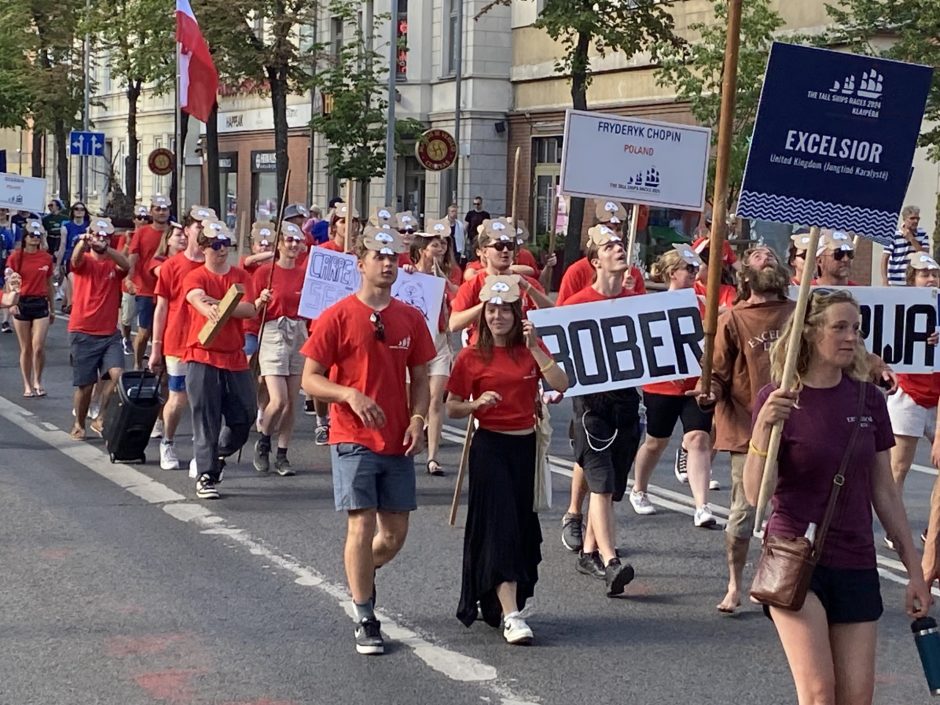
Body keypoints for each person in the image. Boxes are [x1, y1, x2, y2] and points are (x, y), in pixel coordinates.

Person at [743, 288, 931, 705]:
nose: (851, 337)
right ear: (810, 333)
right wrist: (762, 432)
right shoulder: (779, 399)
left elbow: (885, 492)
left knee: (856, 697)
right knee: (818, 694)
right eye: (840, 327)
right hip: (796, 556)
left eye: (856, 329)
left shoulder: (869, 399)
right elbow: (758, 493)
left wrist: (915, 571)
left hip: (856, 558)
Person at [301, 226, 434, 656]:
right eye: (379, 256)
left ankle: (361, 574)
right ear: (360, 264)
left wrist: (417, 419)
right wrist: (349, 394)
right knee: (361, 523)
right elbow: (310, 380)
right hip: (352, 436)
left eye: (394, 256)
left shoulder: (410, 317)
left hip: (397, 438)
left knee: (394, 535)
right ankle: (365, 615)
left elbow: (422, 376)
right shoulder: (337, 316)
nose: (389, 262)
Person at [447, 275, 569, 643]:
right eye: (492, 310)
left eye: (505, 310)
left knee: (521, 526)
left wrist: (535, 349)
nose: (498, 317)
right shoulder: (471, 356)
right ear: (483, 314)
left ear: (518, 315)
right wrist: (475, 404)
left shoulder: (530, 348)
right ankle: (513, 615)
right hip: (490, 448)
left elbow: (561, 384)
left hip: (525, 447)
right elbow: (451, 406)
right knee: (500, 528)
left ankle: (505, 602)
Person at [690, 246, 797, 612]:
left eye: (771, 254)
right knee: (744, 511)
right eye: (756, 255)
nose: (766, 256)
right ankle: (735, 583)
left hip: (799, 425)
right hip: (748, 428)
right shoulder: (732, 320)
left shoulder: (800, 313)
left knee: (793, 509)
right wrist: (709, 393)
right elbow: (717, 374)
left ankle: (782, 582)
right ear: (744, 275)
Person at [560, 225, 640, 590]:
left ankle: (589, 553)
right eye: (611, 246)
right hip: (591, 406)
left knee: (610, 487)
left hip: (626, 402)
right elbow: (557, 351)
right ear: (596, 261)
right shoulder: (577, 305)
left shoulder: (637, 302)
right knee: (603, 485)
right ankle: (611, 561)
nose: (619, 249)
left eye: (621, 244)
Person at [629, 245, 716, 527]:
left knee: (699, 439)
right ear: (671, 273)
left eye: (695, 269)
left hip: (696, 384)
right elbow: (645, 345)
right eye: (688, 269)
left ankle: (702, 505)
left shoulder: (703, 303)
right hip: (662, 385)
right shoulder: (653, 304)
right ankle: (639, 488)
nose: (694, 273)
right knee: (656, 442)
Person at [182, 219, 270, 500]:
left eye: (226, 245)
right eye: (217, 246)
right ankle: (206, 474)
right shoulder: (196, 275)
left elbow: (247, 309)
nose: (222, 251)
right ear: (204, 247)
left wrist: (219, 305)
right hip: (202, 354)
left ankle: (220, 452)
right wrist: (205, 304)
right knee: (205, 417)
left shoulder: (240, 275)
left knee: (243, 416)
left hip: (234, 356)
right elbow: (196, 298)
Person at [884, 251, 940, 549]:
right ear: (911, 279)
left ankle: (934, 530)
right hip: (909, 392)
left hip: (938, 394)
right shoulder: (901, 307)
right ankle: (896, 528)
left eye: (933, 273)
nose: (930, 278)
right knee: (898, 467)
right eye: (923, 274)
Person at [150, 208, 212, 471]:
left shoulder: (213, 265)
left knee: (203, 399)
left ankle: (202, 452)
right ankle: (168, 440)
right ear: (187, 230)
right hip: (176, 340)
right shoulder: (172, 266)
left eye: (205, 226)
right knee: (177, 397)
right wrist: (156, 347)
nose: (201, 230)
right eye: (197, 226)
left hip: (205, 342)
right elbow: (161, 307)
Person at [253, 221, 308, 477]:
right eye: (289, 240)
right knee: (279, 399)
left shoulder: (304, 273)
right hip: (274, 332)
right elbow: (252, 311)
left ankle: (283, 453)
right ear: (280, 243)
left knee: (292, 402)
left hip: (298, 331)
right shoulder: (265, 272)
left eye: (298, 241)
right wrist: (260, 301)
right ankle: (264, 440)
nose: (294, 245)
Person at [67, 217, 130, 440]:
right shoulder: (84, 259)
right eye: (97, 235)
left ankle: (101, 417)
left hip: (109, 333)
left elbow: (127, 265)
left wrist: (108, 248)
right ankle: (79, 422)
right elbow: (74, 261)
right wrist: (84, 242)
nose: (100, 239)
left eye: (104, 236)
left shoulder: (113, 263)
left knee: (118, 375)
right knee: (85, 385)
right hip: (83, 331)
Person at [410, 218, 459, 476]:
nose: (439, 248)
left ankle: (432, 457)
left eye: (442, 243)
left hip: (439, 341)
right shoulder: (408, 272)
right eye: (434, 244)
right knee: (411, 399)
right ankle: (408, 443)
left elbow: (459, 296)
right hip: (414, 344)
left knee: (435, 400)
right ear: (422, 250)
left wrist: (444, 280)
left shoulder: (447, 274)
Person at [308, 203, 360, 437]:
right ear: (334, 225)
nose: (349, 225)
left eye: (354, 221)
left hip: (354, 321)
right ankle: (322, 420)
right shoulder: (324, 252)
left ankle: (347, 418)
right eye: (343, 221)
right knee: (323, 373)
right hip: (325, 320)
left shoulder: (362, 254)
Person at [450, 226, 553, 340]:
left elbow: (552, 313)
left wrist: (529, 288)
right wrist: (486, 305)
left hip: (521, 350)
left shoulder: (527, 283)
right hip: (483, 350)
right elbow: (454, 324)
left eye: (509, 246)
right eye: (498, 246)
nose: (505, 250)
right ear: (484, 252)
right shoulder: (473, 285)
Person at [555, 200, 646, 305]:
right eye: (609, 229)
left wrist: (628, 296)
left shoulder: (633, 274)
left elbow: (642, 311)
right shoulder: (576, 272)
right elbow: (561, 315)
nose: (614, 234)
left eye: (619, 229)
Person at [7, 219, 55, 397]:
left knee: (39, 346)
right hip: (22, 302)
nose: (35, 238)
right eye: (32, 235)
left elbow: (49, 283)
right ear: (25, 237)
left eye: (38, 235)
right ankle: (27, 384)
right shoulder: (16, 257)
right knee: (26, 347)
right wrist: (11, 304)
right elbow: (9, 282)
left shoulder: (46, 257)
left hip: (40, 301)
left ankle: (38, 380)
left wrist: (52, 308)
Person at [126, 195, 174, 370]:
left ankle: (160, 368)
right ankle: (138, 365)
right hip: (145, 288)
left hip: (168, 289)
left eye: (165, 209)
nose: (162, 213)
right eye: (158, 209)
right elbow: (133, 256)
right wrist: (129, 279)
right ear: (151, 211)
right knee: (145, 332)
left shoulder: (174, 232)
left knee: (163, 333)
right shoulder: (142, 232)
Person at [56, 202, 90, 314]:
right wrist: (57, 266)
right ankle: (73, 305)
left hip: (85, 258)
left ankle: (65, 303)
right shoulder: (66, 227)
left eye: (82, 209)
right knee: (72, 279)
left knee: (74, 282)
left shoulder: (88, 227)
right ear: (73, 211)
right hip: (70, 258)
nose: (79, 211)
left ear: (85, 212)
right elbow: (62, 246)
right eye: (76, 209)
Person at [882, 205, 928, 287]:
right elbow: (885, 258)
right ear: (904, 219)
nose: (915, 221)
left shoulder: (922, 234)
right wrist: (885, 280)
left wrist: (912, 239)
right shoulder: (893, 235)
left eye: (917, 218)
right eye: (912, 218)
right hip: (895, 281)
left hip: (914, 282)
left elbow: (925, 256)